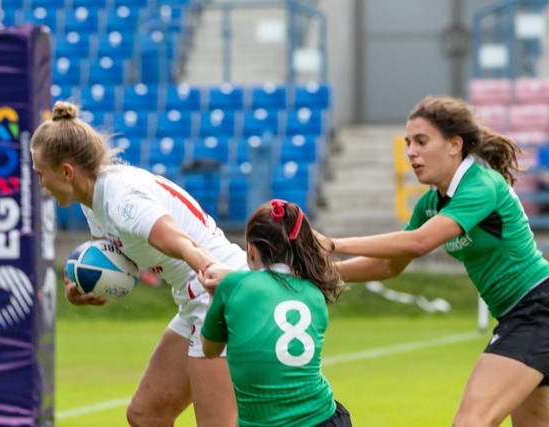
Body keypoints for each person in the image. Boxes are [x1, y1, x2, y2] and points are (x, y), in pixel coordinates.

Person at [318, 95, 549, 427]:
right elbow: (389, 264)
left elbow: (417, 243)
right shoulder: (431, 203)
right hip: (525, 315)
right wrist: (324, 274)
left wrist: (333, 243)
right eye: (408, 143)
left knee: (471, 421)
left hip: (536, 310)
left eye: (422, 141)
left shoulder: (481, 185)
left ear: (454, 145)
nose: (411, 151)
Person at [30, 101, 247, 427]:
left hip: (219, 295)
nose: (40, 184)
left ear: (66, 172)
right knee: (147, 415)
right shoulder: (94, 203)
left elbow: (180, 241)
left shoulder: (122, 200)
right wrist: (86, 285)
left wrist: (225, 284)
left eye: (40, 174)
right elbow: (126, 260)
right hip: (194, 299)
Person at [200, 199, 352, 427]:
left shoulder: (232, 286)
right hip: (325, 419)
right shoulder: (314, 293)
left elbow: (210, 350)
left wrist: (213, 295)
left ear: (250, 249)